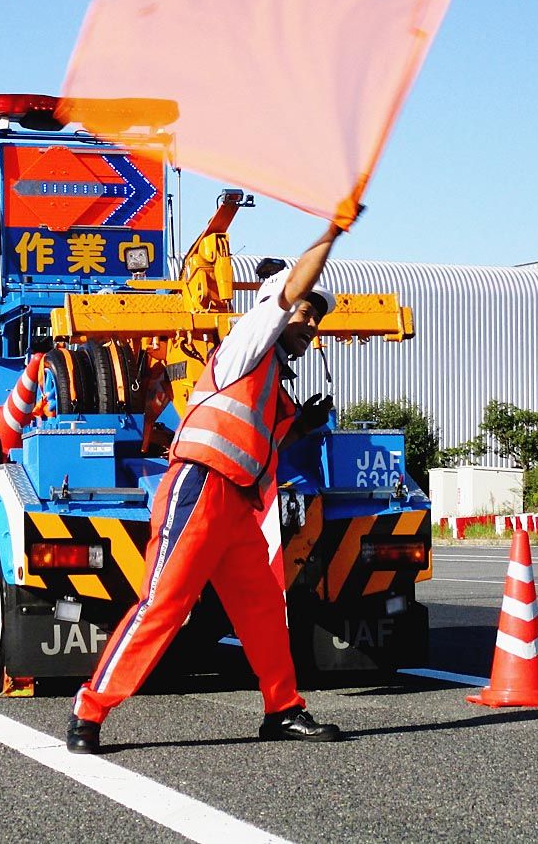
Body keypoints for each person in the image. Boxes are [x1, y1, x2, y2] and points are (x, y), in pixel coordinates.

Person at [67, 220, 349, 754]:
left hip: (235, 505)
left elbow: (260, 442)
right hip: (199, 488)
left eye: (316, 318)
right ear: (278, 308)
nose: (312, 326)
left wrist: (303, 425)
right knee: (163, 605)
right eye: (306, 313)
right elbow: (290, 288)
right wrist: (331, 233)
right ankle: (89, 709)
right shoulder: (249, 340)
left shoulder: (271, 380)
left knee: (264, 608)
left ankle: (283, 709)